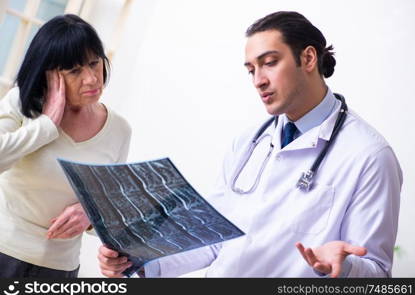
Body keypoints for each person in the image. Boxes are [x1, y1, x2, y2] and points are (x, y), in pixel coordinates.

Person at [98, 11, 402, 278]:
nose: (258, 80)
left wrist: (345, 267)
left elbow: (376, 272)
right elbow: (213, 237)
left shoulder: (369, 156)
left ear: (308, 58)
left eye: (269, 63)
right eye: (251, 70)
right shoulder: (249, 143)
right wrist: (138, 262)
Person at [0, 14, 131, 277]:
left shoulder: (119, 130)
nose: (92, 79)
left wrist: (89, 213)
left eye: (95, 64)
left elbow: (109, 207)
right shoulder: (21, 104)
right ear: (49, 75)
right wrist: (46, 125)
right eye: (75, 71)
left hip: (60, 269)